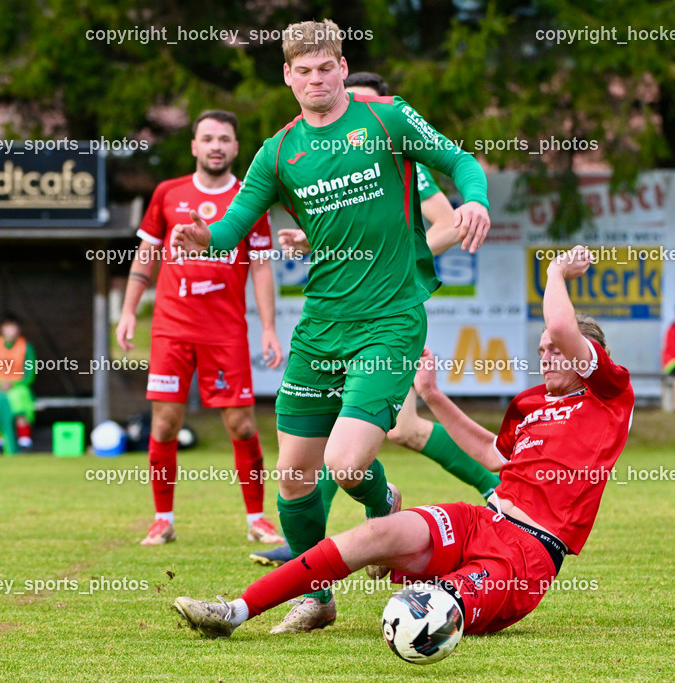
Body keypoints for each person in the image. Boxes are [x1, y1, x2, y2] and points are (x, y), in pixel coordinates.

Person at [170, 19, 490, 633]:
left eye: (325, 68)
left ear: (342, 68)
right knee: (291, 478)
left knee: (346, 465)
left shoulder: (386, 119)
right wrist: (202, 236)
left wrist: (473, 198)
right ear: (287, 77)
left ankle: (382, 505)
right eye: (303, 71)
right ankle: (316, 598)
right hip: (320, 328)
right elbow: (234, 227)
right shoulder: (279, 149)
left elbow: (459, 161)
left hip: (389, 323)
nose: (315, 80)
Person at [174, 244, 633, 640]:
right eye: (541, 350)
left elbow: (562, 323)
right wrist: (433, 395)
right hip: (484, 522)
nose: (546, 355)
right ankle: (235, 611)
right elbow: (493, 454)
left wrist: (555, 273)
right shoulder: (532, 402)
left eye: (555, 349)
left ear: (592, 356)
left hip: (529, 555)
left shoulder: (609, 393)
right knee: (372, 534)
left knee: (427, 614)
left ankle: (431, 598)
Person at [251, 71, 499, 568]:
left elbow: (446, 222)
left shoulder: (396, 147)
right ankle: (311, 543)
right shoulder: (318, 151)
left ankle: (495, 486)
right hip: (346, 318)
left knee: (386, 434)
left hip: (389, 311)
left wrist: (388, 268)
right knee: (379, 432)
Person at [116, 109, 285, 547]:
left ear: (235, 147)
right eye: (207, 138)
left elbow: (262, 267)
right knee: (165, 424)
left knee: (243, 426)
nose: (215, 145)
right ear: (194, 146)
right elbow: (146, 255)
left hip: (226, 330)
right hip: (171, 328)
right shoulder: (167, 194)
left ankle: (257, 519)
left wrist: (268, 328)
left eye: (224, 139)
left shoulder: (250, 198)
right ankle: (163, 519)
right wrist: (129, 310)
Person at [0, 314, 36, 454]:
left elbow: (30, 375)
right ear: (1, 329)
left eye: (14, 327)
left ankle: (24, 442)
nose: (11, 331)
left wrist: (14, 384)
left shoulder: (26, 347)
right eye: (8, 327)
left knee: (19, 404)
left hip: (18, 386)